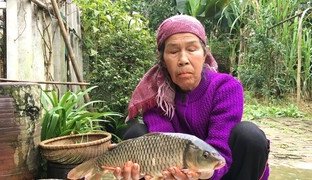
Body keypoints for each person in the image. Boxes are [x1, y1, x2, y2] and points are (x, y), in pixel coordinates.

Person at [114, 14, 270, 180]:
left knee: (249, 135)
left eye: (192, 49)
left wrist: (206, 173)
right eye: (173, 51)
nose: (183, 60)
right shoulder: (155, 94)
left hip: (218, 170)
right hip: (175, 175)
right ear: (163, 60)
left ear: (204, 54)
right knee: (134, 132)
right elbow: (163, 144)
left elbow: (220, 148)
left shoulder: (225, 87)